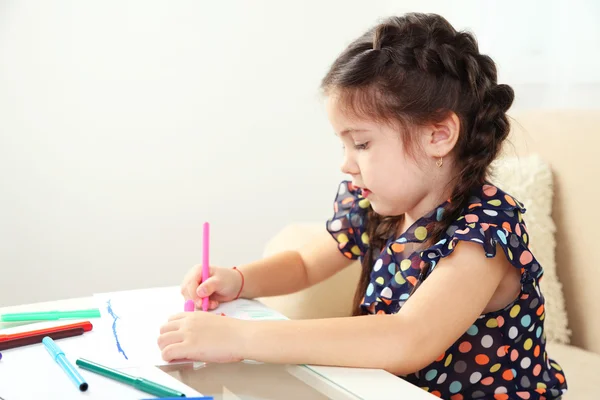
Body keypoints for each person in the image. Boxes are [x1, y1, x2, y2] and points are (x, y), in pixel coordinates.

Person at [157, 13, 567, 399]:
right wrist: (238, 279)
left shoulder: (484, 234)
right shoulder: (376, 204)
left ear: (438, 135)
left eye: (363, 143)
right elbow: (304, 263)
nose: (346, 162)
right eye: (344, 143)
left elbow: (408, 338)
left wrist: (241, 339)